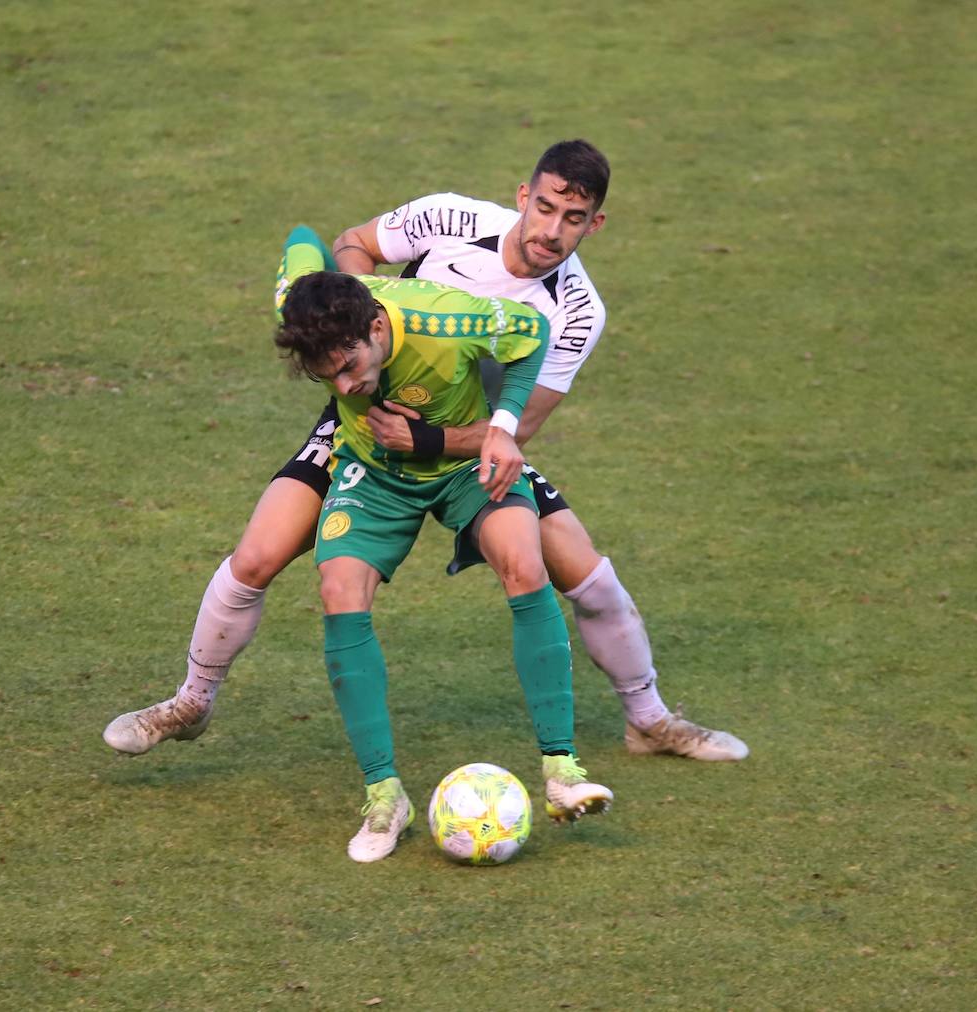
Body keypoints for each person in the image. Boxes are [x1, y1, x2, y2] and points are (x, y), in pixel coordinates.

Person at [104, 140, 748, 764]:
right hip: (364, 427)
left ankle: (650, 720)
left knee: (588, 577)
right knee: (257, 555)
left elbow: (516, 432)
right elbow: (352, 244)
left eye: (573, 219)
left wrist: (429, 439)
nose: (552, 230)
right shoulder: (449, 218)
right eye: (546, 207)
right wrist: (363, 321)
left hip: (467, 448)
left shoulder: (577, 311)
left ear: (595, 224)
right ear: (525, 195)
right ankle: (189, 704)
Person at [274, 228, 612, 861]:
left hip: (462, 469)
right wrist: (301, 265)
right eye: (327, 378)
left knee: (524, 560)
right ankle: (384, 795)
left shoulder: (447, 317)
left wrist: (501, 429)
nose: (344, 388)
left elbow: (531, 337)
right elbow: (301, 239)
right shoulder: (308, 316)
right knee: (338, 589)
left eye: (348, 367)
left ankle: (562, 770)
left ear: (377, 329)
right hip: (373, 475)